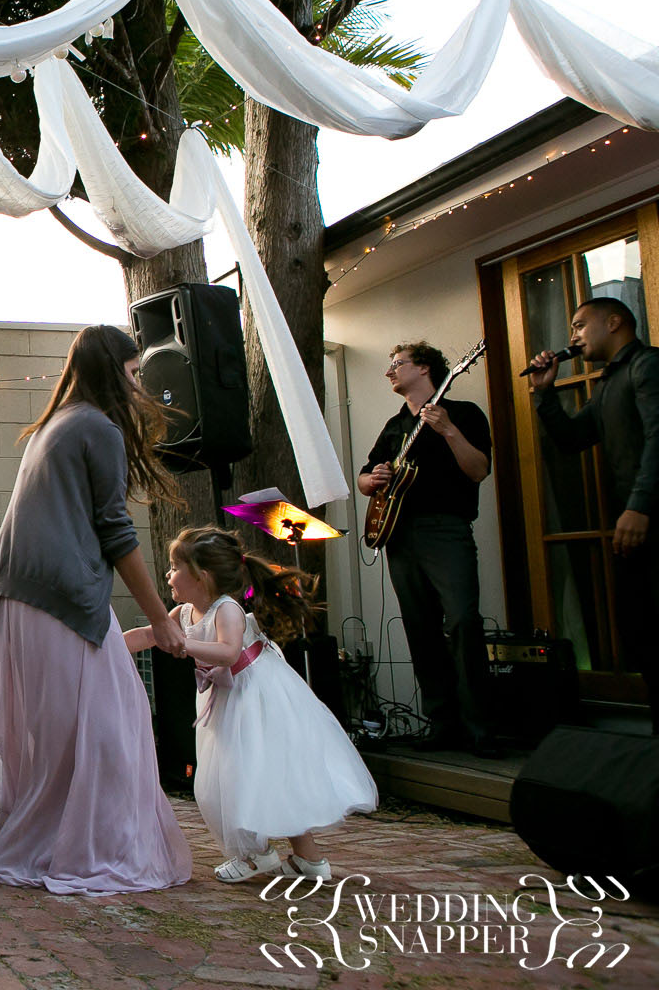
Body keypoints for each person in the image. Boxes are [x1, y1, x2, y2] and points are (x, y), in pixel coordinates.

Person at [0, 324, 192, 896]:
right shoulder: (96, 426)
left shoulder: (55, 425)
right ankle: (86, 850)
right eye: (135, 373)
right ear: (113, 371)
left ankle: (54, 841)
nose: (139, 386)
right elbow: (115, 529)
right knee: (109, 731)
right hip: (59, 596)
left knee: (68, 736)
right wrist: (161, 616)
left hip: (21, 592)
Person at [129, 527, 376, 883]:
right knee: (255, 775)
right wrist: (110, 647)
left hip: (255, 696)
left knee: (246, 776)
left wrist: (185, 645)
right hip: (228, 697)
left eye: (174, 567)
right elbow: (151, 635)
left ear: (202, 575)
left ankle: (255, 854)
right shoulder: (183, 611)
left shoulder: (225, 609)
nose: (168, 574)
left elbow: (229, 652)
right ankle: (309, 859)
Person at [357, 341, 495, 755]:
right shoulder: (395, 426)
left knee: (463, 622)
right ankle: (442, 723)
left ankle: (480, 727)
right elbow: (364, 479)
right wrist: (374, 478)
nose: (390, 372)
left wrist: (448, 430)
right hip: (401, 536)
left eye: (397, 364)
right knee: (420, 628)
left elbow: (479, 471)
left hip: (445, 530)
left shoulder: (464, 414)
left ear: (424, 367)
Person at [529, 297, 659, 723]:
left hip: (646, 516)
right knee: (640, 632)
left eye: (581, 325)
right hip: (632, 528)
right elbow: (570, 439)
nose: (573, 336)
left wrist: (639, 506)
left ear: (615, 321)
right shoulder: (607, 385)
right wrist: (545, 393)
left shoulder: (647, 366)